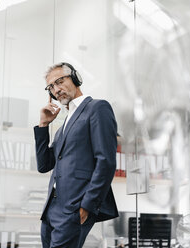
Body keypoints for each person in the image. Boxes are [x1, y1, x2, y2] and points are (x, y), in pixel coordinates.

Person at [34, 62, 119, 248]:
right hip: (51, 210)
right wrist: (43, 125)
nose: (56, 89)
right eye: (51, 87)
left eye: (59, 81)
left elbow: (106, 161)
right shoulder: (63, 126)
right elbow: (43, 165)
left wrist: (87, 205)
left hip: (75, 206)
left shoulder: (97, 108)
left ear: (74, 78)